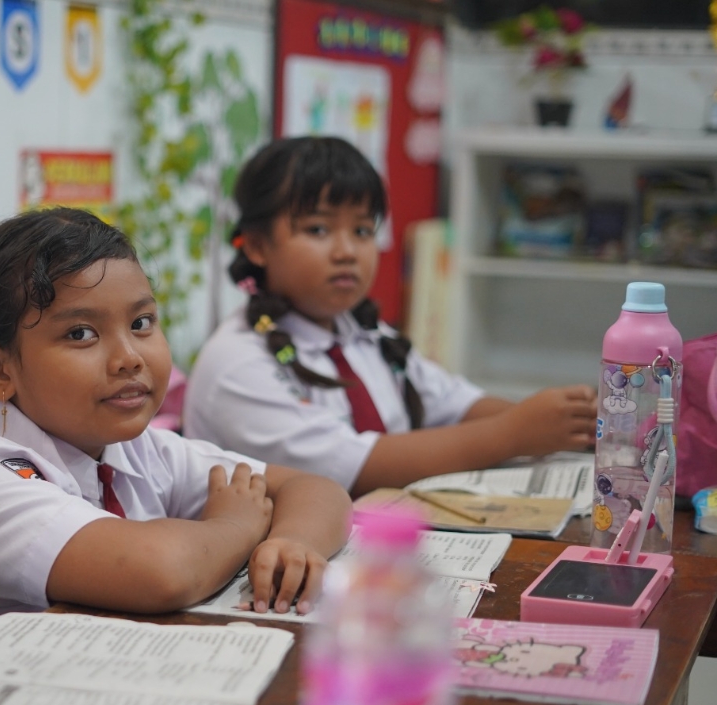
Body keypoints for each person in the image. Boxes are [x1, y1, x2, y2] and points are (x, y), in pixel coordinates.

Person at [0, 208, 351, 649]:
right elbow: (162, 572)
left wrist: (293, 543)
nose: (129, 357)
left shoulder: (131, 447)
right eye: (81, 334)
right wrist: (237, 524)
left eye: (141, 323)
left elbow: (316, 490)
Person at [184, 137, 597, 496]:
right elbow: (360, 469)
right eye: (318, 230)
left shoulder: (365, 334)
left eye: (363, 231)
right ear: (257, 246)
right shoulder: (238, 362)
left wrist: (565, 424)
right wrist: (515, 433)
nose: (347, 252)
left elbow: (457, 404)